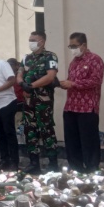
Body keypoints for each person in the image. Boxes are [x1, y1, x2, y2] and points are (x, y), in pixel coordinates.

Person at [60, 33, 104, 173]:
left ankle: (92, 169)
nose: (72, 49)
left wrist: (72, 84)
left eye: (74, 46)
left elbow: (96, 80)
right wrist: (63, 83)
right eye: (70, 46)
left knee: (89, 142)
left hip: (87, 108)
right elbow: (71, 81)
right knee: (72, 141)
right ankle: (76, 169)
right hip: (71, 106)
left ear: (84, 45)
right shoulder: (74, 62)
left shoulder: (95, 60)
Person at [18, 31, 60, 174]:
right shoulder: (26, 58)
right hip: (28, 102)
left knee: (46, 130)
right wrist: (21, 83)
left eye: (33, 40)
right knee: (30, 131)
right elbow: (19, 73)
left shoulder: (50, 56)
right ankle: (33, 163)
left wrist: (32, 86)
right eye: (30, 39)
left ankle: (53, 164)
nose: (31, 42)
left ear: (41, 42)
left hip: (43, 102)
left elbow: (50, 76)